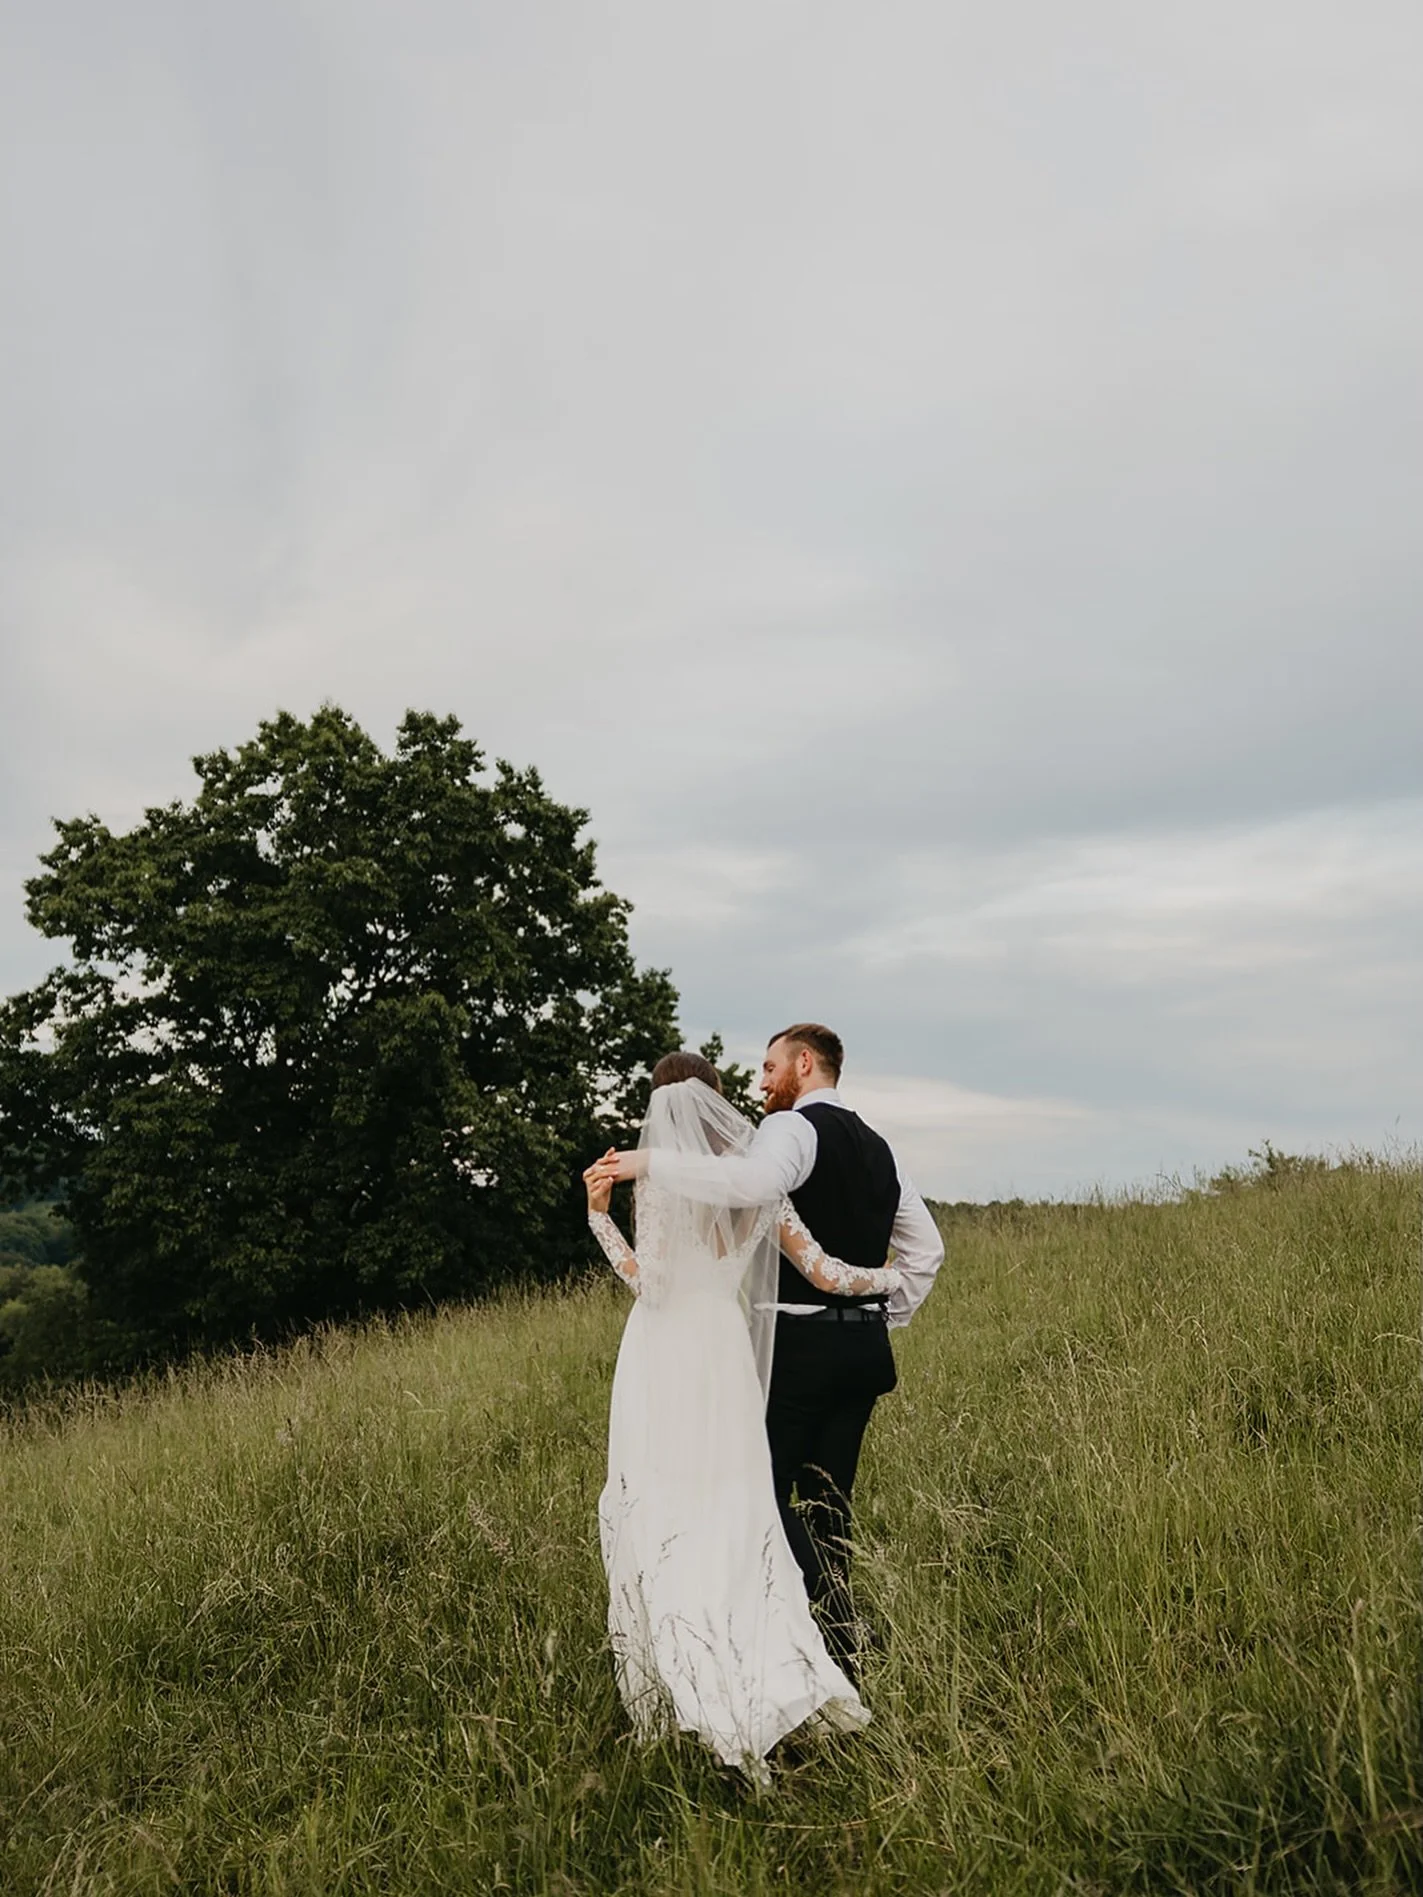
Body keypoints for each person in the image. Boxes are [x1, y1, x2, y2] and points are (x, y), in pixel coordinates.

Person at [583, 1050, 902, 1784]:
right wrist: (890, 1278)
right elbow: (822, 1269)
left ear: (659, 1107)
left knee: (663, 1507)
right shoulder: (760, 1181)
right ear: (718, 1100)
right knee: (736, 1507)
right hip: (726, 1354)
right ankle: (779, 1671)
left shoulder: (659, 1179)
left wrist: (601, 1222)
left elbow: (651, 1282)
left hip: (665, 1352)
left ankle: (689, 1681)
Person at [604, 1025, 944, 1679]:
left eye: (768, 1067)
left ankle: (833, 1624)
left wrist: (649, 1164)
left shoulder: (789, 1130)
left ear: (804, 1063)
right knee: (827, 1498)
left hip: (800, 1345)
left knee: (758, 1489)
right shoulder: (880, 1148)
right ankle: (836, 1651)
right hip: (864, 1349)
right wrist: (878, 1314)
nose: (760, 1083)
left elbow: (750, 1182)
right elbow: (926, 1251)